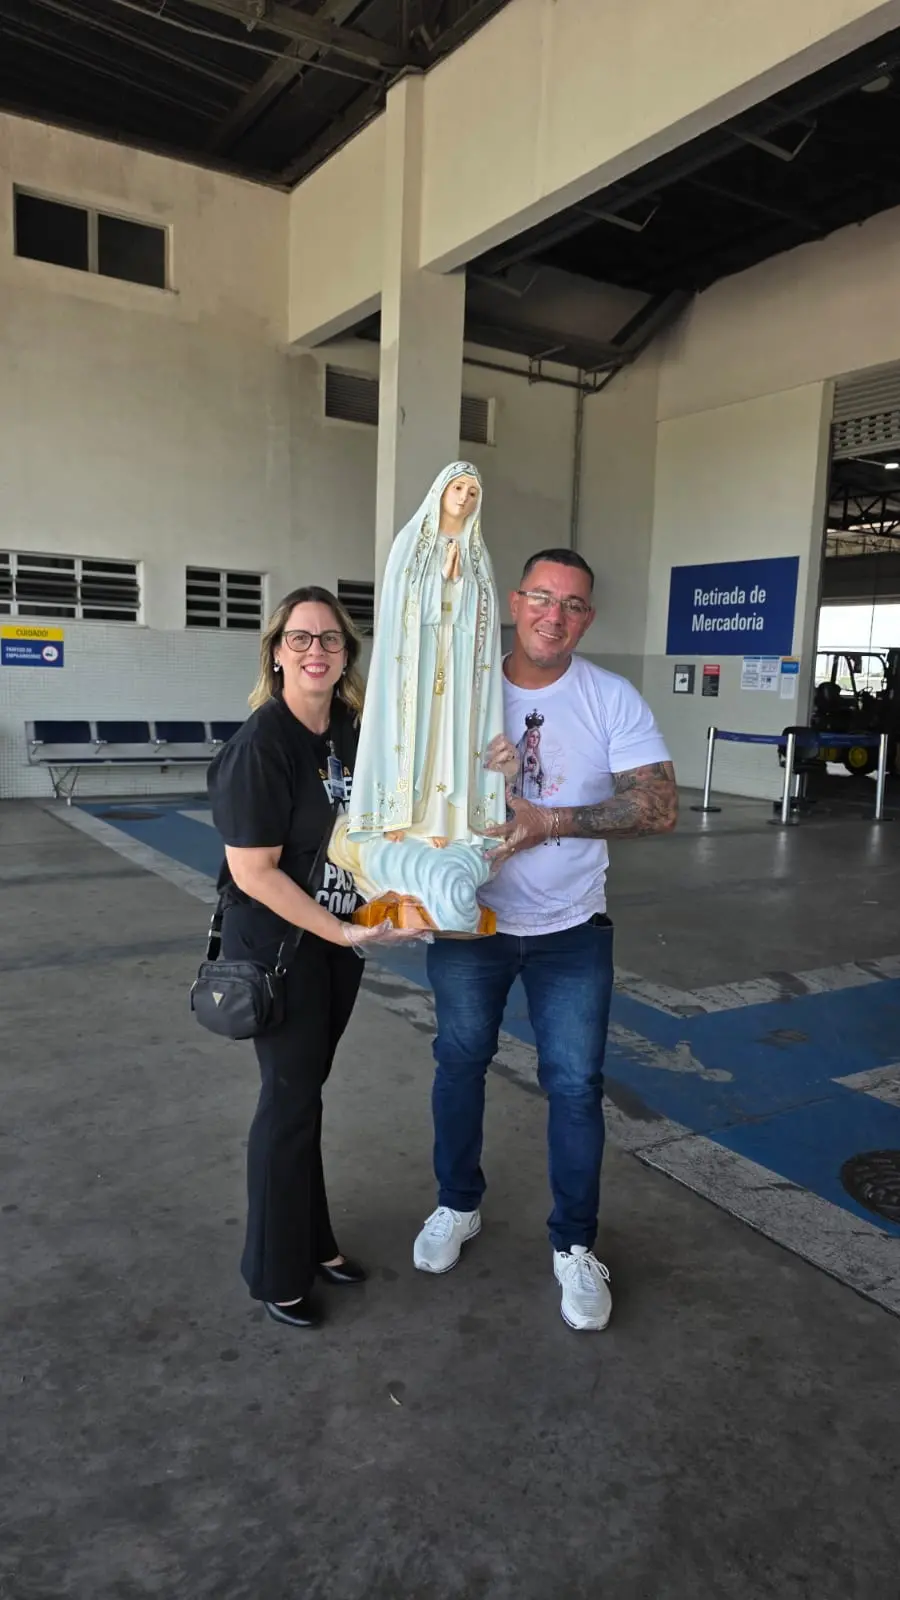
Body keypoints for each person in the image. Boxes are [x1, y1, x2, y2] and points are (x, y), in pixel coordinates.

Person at [412, 550, 678, 1332]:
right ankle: (457, 1204)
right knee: (459, 1063)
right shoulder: (460, 693)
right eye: (540, 597)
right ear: (516, 602)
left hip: (571, 931)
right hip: (472, 924)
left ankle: (573, 1246)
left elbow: (658, 806)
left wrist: (550, 820)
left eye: (571, 604)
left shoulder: (609, 698)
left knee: (574, 1086)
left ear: (586, 618)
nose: (553, 615)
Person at [208, 586, 428, 1331]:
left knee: (306, 1097)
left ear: (345, 656)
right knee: (289, 1102)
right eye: (300, 638)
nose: (315, 651)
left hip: (339, 945)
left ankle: (317, 1240)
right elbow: (254, 872)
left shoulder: (351, 732)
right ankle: (274, 1268)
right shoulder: (260, 746)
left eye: (330, 640)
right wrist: (341, 936)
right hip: (280, 949)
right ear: (276, 653)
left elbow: (395, 813)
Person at [333, 463, 505, 935]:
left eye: (473, 490)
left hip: (458, 665)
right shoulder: (412, 544)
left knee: (452, 737)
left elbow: (483, 621)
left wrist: (461, 582)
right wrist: (439, 582)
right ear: (440, 492)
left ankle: (441, 818)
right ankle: (398, 816)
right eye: (458, 488)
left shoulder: (478, 557)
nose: (465, 497)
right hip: (417, 666)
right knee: (415, 738)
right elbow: (401, 608)